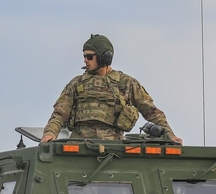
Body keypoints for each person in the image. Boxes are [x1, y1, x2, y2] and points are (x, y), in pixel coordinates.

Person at [41, 34, 182, 144]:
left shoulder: (126, 83)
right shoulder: (76, 83)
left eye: (89, 56)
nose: (85, 60)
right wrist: (50, 133)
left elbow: (152, 112)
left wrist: (170, 135)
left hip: (114, 148)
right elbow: (59, 114)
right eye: (84, 56)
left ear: (104, 57)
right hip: (79, 145)